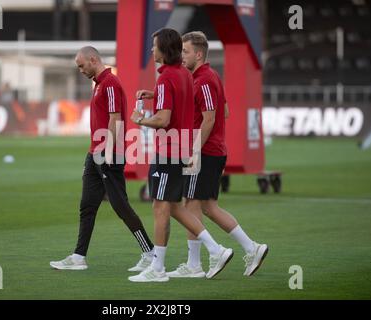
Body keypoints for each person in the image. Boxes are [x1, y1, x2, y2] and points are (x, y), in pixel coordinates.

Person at [128, 28, 233, 282]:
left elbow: (164, 119)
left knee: (161, 207)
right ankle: (216, 249)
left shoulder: (165, 78)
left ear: (164, 49)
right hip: (181, 149)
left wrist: (140, 119)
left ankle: (158, 268)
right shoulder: (185, 75)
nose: (151, 50)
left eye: (154, 46)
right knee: (175, 206)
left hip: (168, 150)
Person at [166, 31, 268, 278]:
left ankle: (195, 264)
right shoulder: (207, 78)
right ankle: (251, 248)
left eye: (186, 52)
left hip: (205, 152)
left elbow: (212, 117)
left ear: (198, 54)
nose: (181, 56)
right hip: (211, 150)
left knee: (191, 205)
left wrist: (194, 149)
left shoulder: (203, 80)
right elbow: (225, 110)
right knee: (208, 207)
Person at [50, 46, 155, 271]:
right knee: (87, 205)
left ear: (93, 59)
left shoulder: (110, 84)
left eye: (81, 65)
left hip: (109, 154)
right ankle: (79, 257)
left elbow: (116, 119)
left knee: (120, 205)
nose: (80, 70)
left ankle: (150, 252)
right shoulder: (99, 84)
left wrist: (107, 152)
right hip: (94, 153)